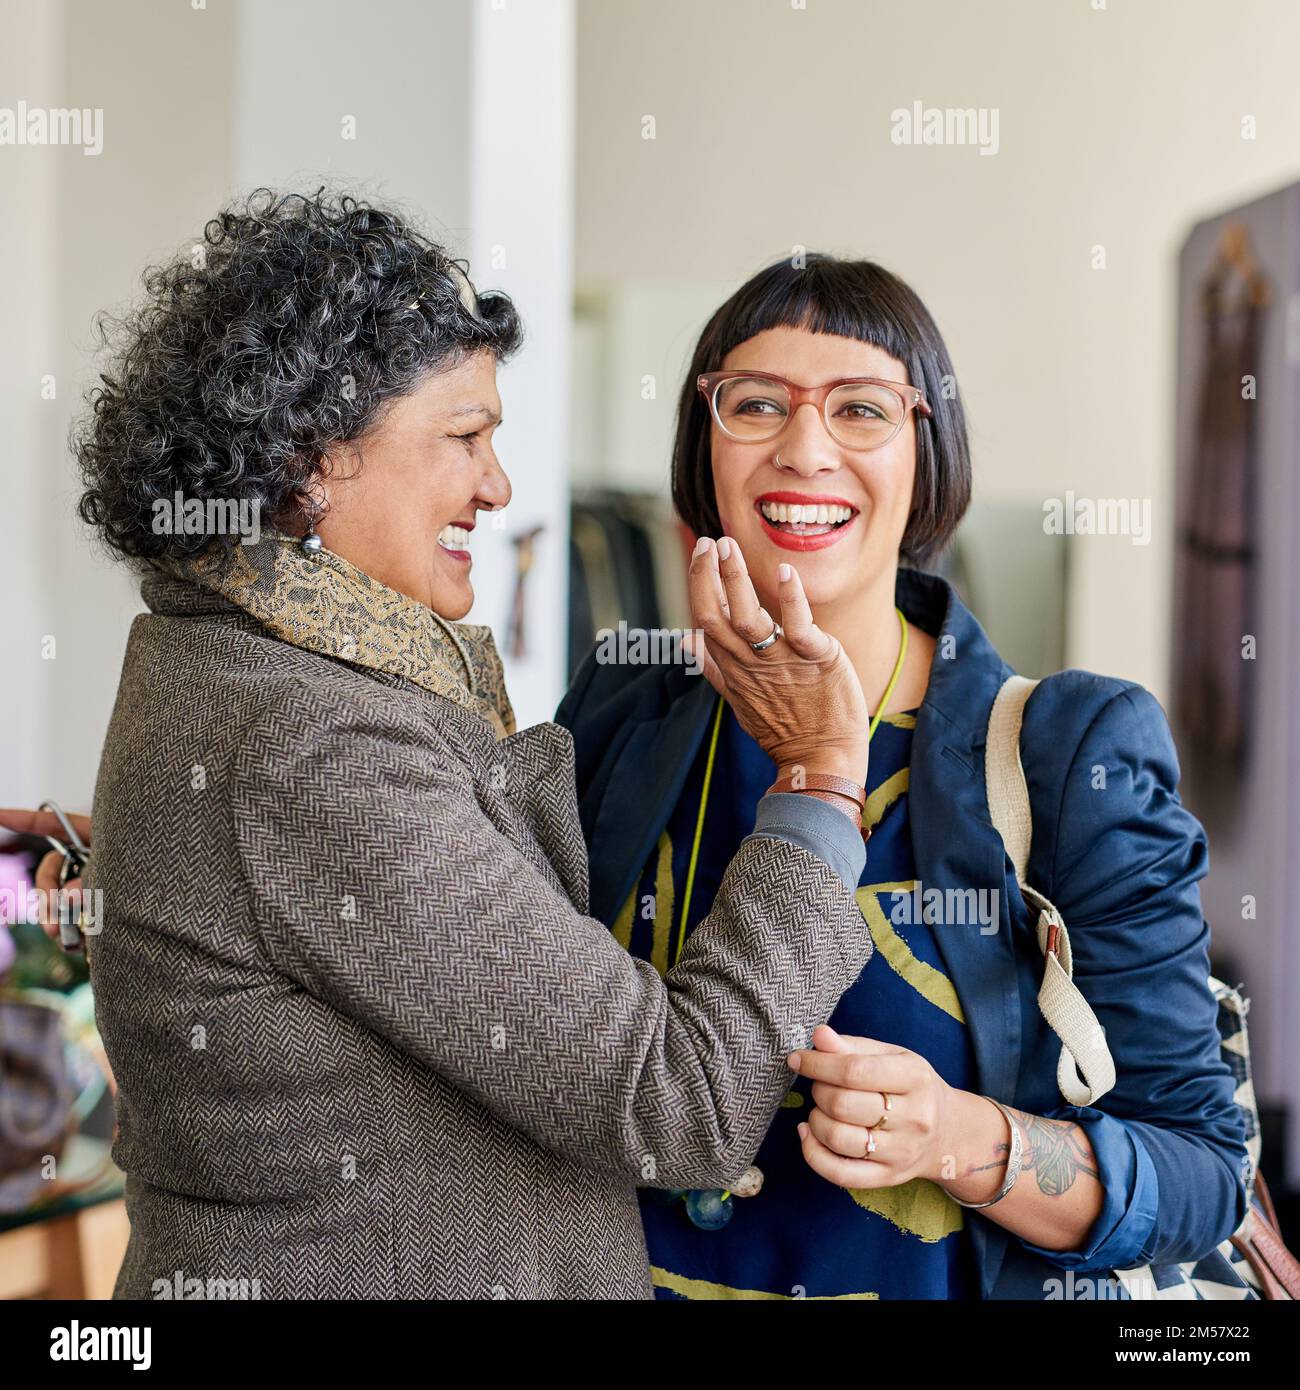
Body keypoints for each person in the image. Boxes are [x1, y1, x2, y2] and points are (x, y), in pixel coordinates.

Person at [0, 192, 882, 1300]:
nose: (497, 484)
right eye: (465, 436)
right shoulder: (316, 738)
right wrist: (818, 780)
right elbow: (681, 1100)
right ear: (312, 460)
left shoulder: (233, 662)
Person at [555, 254, 1251, 1299]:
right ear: (704, 446)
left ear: (928, 455)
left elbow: (1203, 1172)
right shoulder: (625, 700)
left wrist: (961, 1138)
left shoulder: (1066, 748)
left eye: (861, 410)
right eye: (754, 404)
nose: (802, 449)